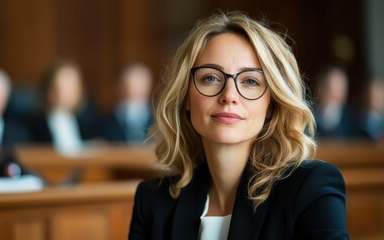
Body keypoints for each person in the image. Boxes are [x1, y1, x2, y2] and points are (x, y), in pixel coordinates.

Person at [129, 12, 348, 239]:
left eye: (250, 81)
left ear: (271, 104)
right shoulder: (152, 201)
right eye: (211, 78)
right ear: (185, 96)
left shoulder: (311, 188)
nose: (229, 96)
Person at [31, 59, 102, 154]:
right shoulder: (32, 125)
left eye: (71, 88)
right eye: (60, 88)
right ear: (47, 89)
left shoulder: (89, 120)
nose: (66, 93)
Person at [101, 62, 154, 145]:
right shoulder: (104, 123)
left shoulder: (160, 122)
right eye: (128, 87)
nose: (133, 93)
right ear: (119, 88)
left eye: (140, 89)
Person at [314, 65, 360, 138]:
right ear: (320, 88)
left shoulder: (354, 120)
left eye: (339, 90)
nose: (334, 94)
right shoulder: (309, 117)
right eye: (329, 89)